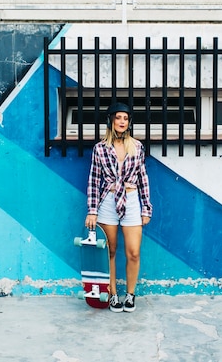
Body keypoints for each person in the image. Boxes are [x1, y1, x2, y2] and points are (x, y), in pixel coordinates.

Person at [85, 102, 152, 313]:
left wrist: (146, 208)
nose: (122, 121)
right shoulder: (100, 149)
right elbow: (94, 180)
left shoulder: (137, 147)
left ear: (129, 122)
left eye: (125, 118)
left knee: (133, 252)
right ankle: (113, 294)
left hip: (131, 201)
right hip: (108, 201)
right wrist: (92, 210)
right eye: (118, 118)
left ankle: (130, 295)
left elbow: (143, 178)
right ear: (111, 120)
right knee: (110, 251)